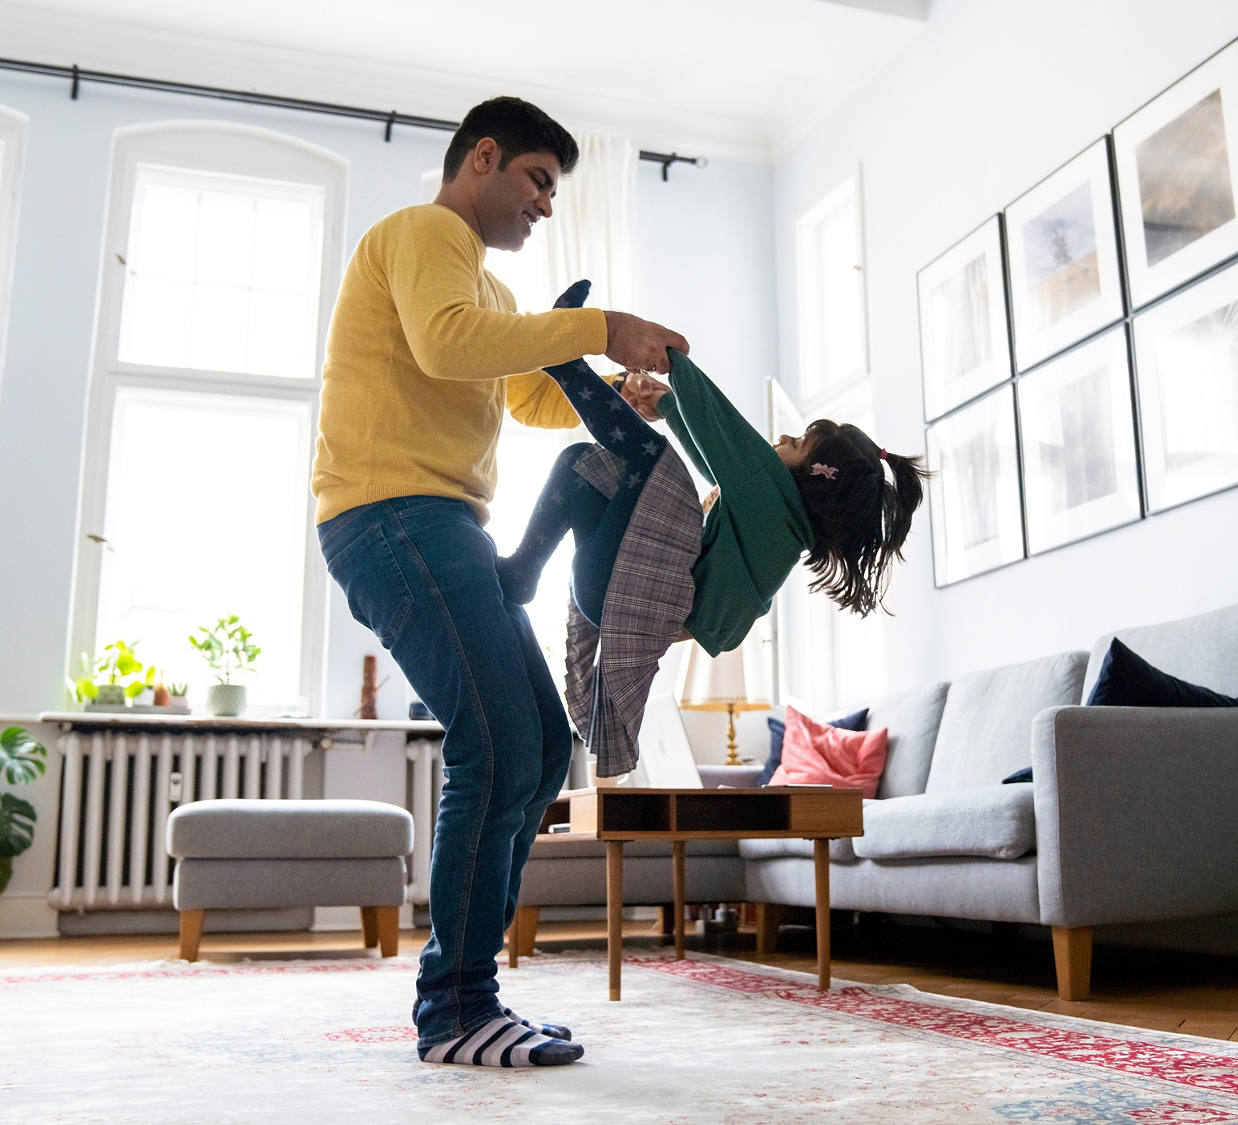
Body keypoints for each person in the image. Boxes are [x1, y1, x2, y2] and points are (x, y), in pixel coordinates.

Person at [311, 97, 688, 1069]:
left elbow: (517, 391)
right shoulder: (425, 234)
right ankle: (455, 1009)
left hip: (437, 524)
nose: (546, 206)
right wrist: (603, 324)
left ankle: (468, 995)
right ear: (482, 157)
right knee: (498, 740)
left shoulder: (477, 286)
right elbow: (447, 345)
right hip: (395, 514)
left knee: (537, 742)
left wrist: (611, 391)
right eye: (537, 181)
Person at [496, 281, 929, 778]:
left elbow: (726, 436)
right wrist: (663, 405)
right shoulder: (774, 527)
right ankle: (522, 571)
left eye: (800, 441)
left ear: (815, 478)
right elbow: (718, 458)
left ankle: (564, 367)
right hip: (614, 594)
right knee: (584, 464)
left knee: (656, 465)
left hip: (623, 595)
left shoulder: (770, 502)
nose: (785, 436)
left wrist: (672, 360)